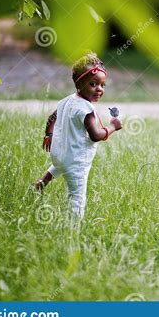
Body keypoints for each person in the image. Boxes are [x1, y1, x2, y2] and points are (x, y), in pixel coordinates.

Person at [35, 52, 122, 221]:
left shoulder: (66, 101)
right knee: (77, 195)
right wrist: (112, 126)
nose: (99, 89)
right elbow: (96, 136)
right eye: (93, 84)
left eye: (102, 85)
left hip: (59, 154)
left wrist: (49, 135)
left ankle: (41, 183)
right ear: (78, 83)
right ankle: (74, 228)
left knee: (60, 165)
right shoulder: (86, 110)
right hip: (76, 161)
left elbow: (51, 118)